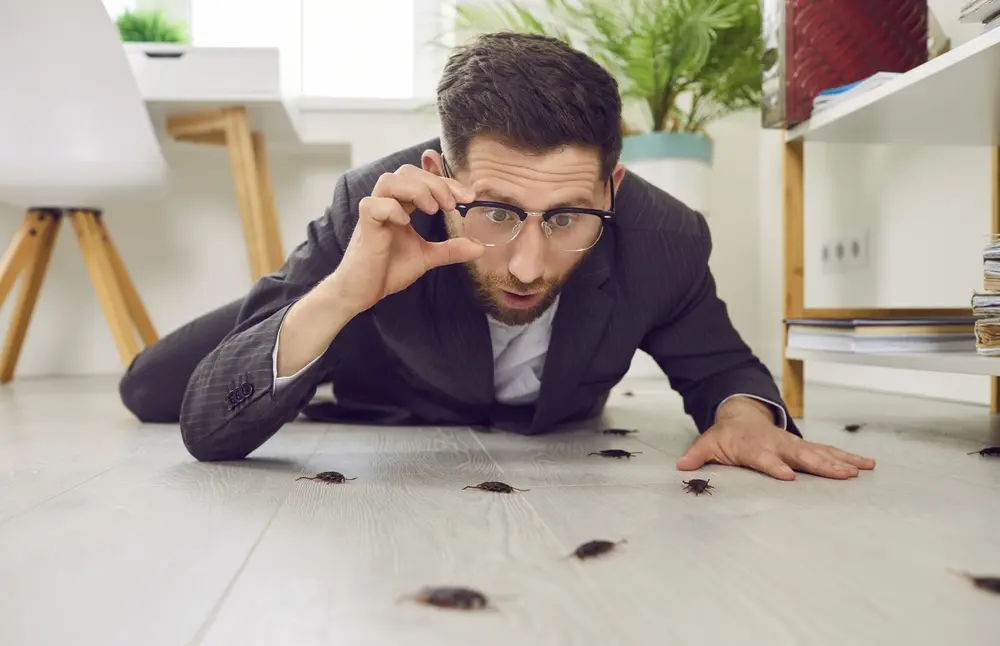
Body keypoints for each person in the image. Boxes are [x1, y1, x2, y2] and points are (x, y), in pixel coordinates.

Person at [121, 32, 875, 482]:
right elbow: (205, 429)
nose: (525, 265)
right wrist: (342, 294)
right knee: (151, 385)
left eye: (572, 216)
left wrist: (743, 416)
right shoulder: (376, 205)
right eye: (498, 213)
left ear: (614, 185)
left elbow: (720, 367)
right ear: (441, 175)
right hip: (371, 378)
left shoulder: (665, 238)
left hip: (524, 412)